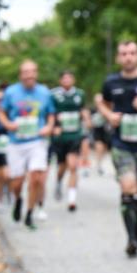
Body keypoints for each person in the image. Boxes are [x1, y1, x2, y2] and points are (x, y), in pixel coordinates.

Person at [98, 41, 137, 257]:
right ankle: (132, 237)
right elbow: (102, 103)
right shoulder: (111, 82)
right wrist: (109, 115)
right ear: (118, 58)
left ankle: (136, 224)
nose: (128, 57)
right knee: (128, 187)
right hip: (121, 144)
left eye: (132, 53)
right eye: (123, 54)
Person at [0, 60, 56, 230]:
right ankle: (18, 199)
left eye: (32, 72)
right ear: (20, 75)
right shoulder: (11, 92)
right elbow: (1, 112)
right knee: (17, 182)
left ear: (36, 73)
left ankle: (29, 213)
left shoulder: (44, 92)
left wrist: (49, 126)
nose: (29, 75)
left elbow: (51, 114)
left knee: (37, 177)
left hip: (36, 141)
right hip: (16, 143)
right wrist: (8, 124)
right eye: (26, 72)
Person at [51, 71, 90, 212]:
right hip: (61, 137)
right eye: (64, 78)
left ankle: (72, 200)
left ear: (73, 80)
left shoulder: (80, 94)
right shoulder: (54, 95)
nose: (67, 80)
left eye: (69, 78)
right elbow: (49, 113)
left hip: (75, 135)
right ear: (60, 80)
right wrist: (54, 126)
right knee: (62, 166)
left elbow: (83, 109)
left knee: (73, 166)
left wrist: (86, 118)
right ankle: (59, 181)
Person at [90, 93, 112, 176]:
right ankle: (98, 164)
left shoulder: (110, 107)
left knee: (106, 147)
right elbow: (93, 122)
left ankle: (101, 163)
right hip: (98, 130)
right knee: (99, 145)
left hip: (108, 130)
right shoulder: (94, 110)